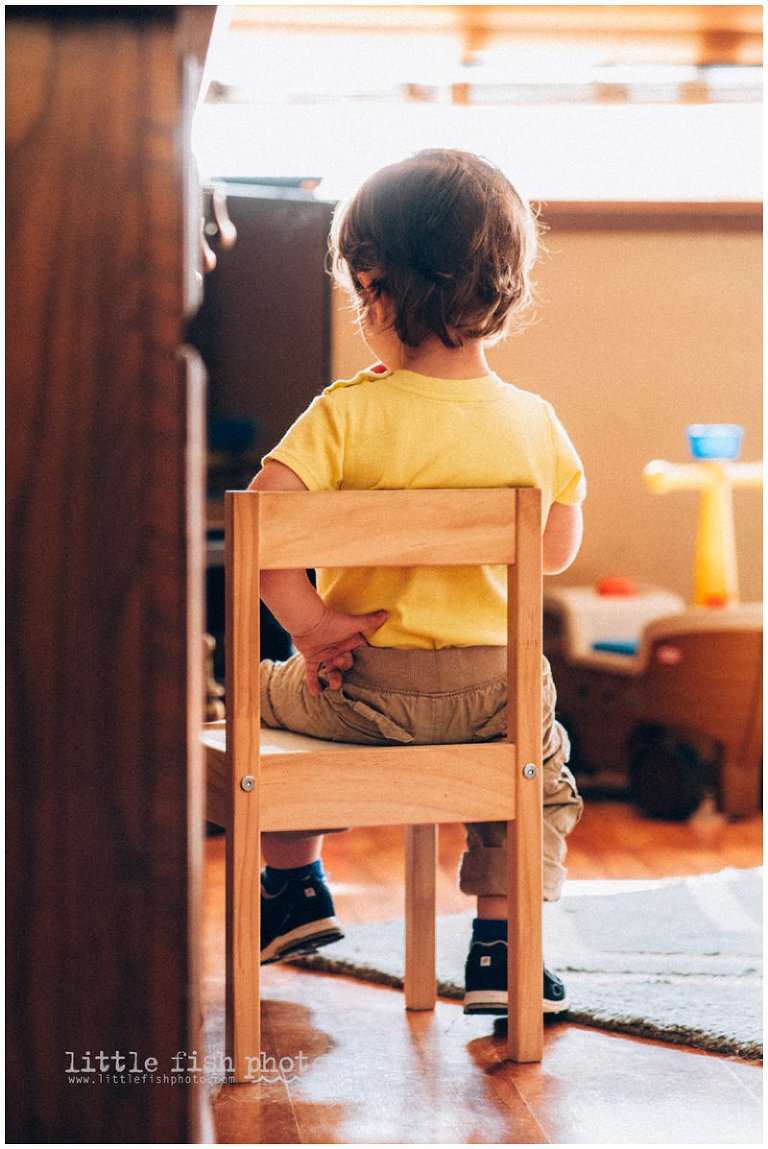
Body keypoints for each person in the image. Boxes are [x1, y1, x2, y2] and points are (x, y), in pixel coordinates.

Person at [250, 149, 586, 1015]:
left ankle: (294, 887)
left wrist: (309, 621)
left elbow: (261, 524)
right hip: (494, 696)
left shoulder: (344, 411)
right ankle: (501, 946)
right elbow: (553, 551)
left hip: (358, 688)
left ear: (376, 290)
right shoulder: (536, 423)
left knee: (251, 702)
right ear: (502, 290)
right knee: (539, 774)